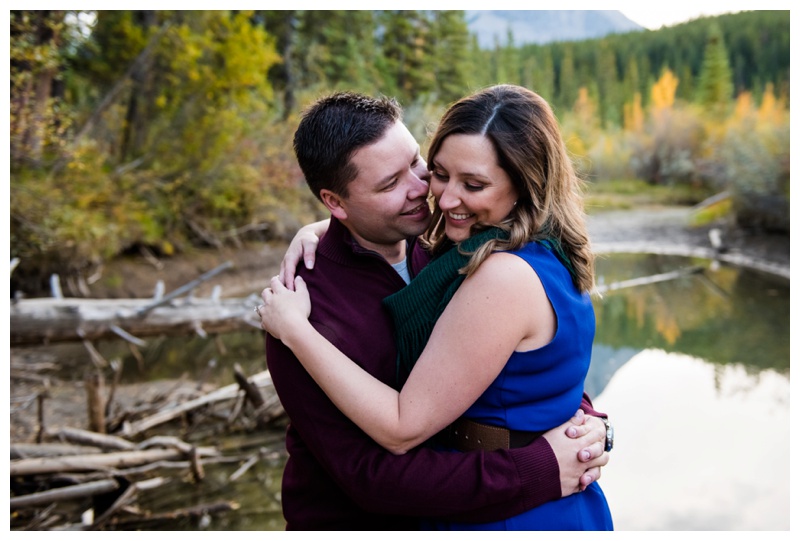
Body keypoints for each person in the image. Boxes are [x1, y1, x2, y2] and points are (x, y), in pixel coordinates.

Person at [259, 85, 613, 530]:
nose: (427, 193)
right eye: (390, 184)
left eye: (416, 165)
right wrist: (540, 467)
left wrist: (586, 421)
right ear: (335, 202)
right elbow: (374, 480)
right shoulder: (305, 308)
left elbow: (517, 364)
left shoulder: (448, 250)